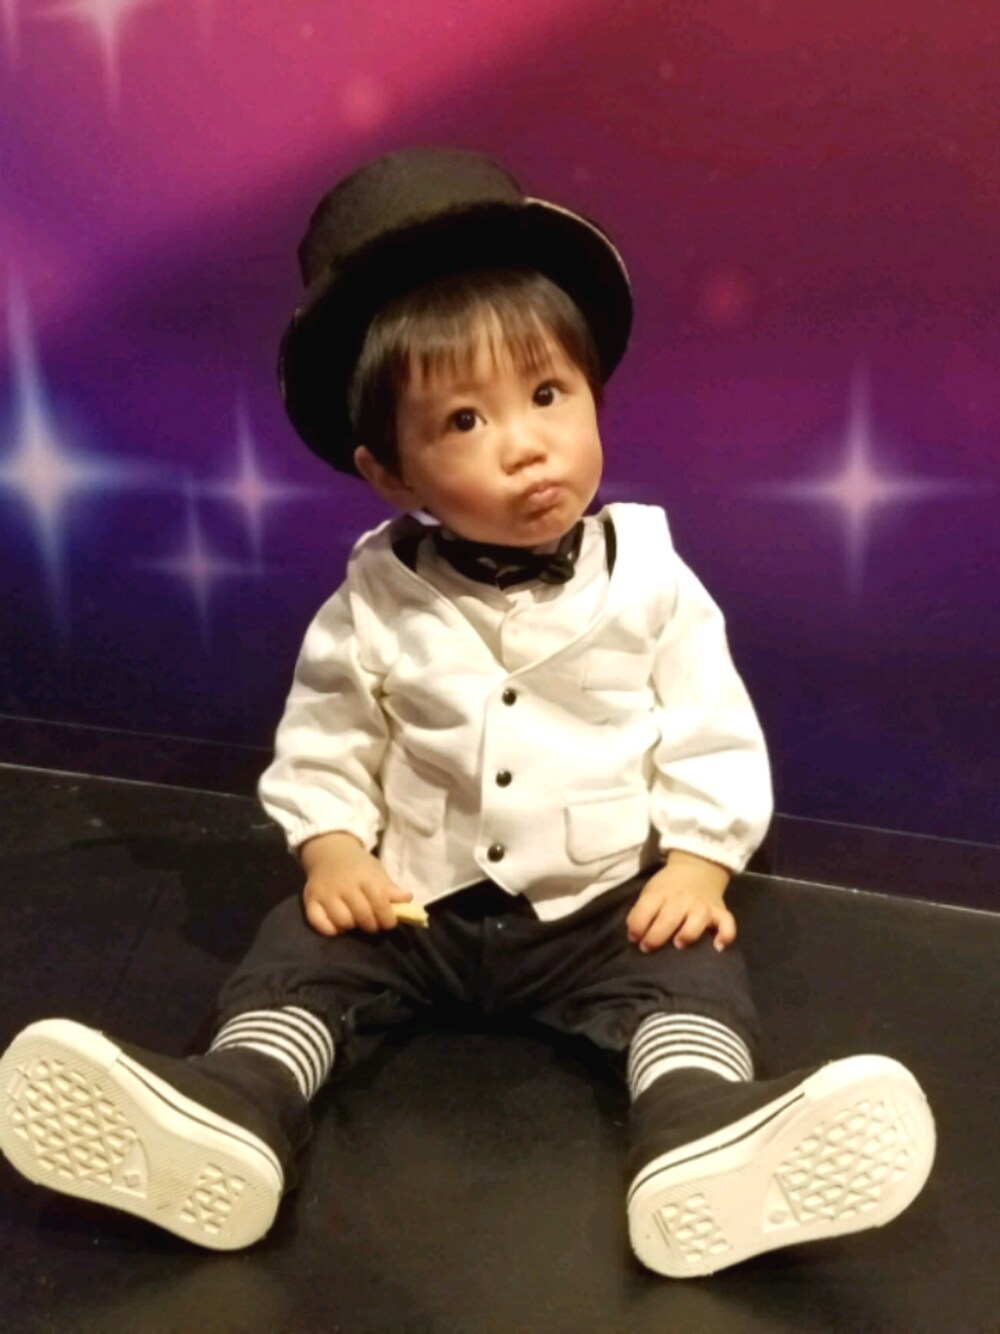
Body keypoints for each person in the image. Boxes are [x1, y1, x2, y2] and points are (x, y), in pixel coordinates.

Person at [0, 148, 935, 1277]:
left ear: (592, 396)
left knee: (688, 977)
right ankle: (236, 1106)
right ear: (391, 473)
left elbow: (709, 726)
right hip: (417, 905)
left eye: (547, 395)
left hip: (597, 909)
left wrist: (699, 861)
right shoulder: (373, 597)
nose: (525, 443)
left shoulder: (652, 577)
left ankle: (700, 1130)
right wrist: (334, 848)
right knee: (301, 954)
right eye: (461, 421)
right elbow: (328, 733)